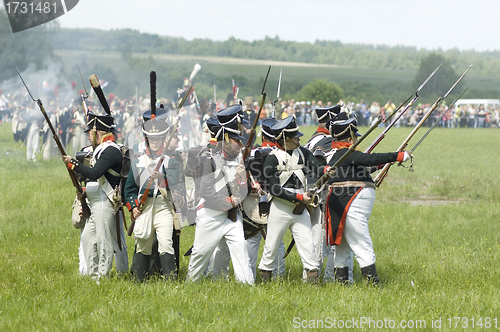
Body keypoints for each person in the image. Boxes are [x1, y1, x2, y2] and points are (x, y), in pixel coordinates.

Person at [324, 113, 410, 285]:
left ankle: (343, 284)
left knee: (343, 247)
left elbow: (362, 167)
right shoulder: (345, 153)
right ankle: (373, 284)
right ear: (349, 136)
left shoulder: (343, 155)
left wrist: (385, 163)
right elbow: (368, 159)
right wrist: (396, 156)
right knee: (362, 244)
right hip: (348, 201)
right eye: (354, 136)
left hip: (343, 201)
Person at [186, 109, 254, 284]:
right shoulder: (207, 159)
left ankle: (247, 286)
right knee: (200, 254)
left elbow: (243, 191)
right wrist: (228, 201)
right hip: (210, 214)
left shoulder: (239, 160)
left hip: (231, 217)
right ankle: (190, 284)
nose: (240, 143)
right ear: (225, 140)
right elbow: (206, 191)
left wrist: (242, 178)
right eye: (236, 140)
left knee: (240, 249)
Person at [258, 116, 327, 283]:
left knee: (308, 247)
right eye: (295, 136)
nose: (298, 138)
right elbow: (274, 189)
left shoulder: (302, 152)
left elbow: (317, 168)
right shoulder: (272, 158)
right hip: (280, 208)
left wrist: (326, 170)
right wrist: (299, 197)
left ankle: (311, 283)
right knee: (271, 248)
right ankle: (264, 281)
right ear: (284, 138)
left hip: (300, 209)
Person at [62, 112, 124, 279]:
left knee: (104, 240)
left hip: (104, 199)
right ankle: (92, 274)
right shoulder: (101, 149)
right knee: (88, 238)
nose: (88, 137)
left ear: (97, 132)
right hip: (93, 200)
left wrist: (73, 165)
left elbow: (95, 173)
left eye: (90, 133)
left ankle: (103, 276)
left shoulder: (111, 150)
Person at [124, 113, 181, 282]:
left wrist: (161, 179)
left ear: (163, 139)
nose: (154, 141)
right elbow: (129, 189)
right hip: (144, 206)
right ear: (146, 139)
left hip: (163, 206)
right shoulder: (138, 162)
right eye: (151, 138)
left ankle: (171, 282)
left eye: (158, 138)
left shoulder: (171, 162)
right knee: (143, 244)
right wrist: (133, 207)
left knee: (165, 243)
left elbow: (175, 184)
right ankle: (138, 281)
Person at [243, 118, 286, 278]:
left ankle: (248, 277)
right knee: (277, 241)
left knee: (252, 241)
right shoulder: (283, 154)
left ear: (263, 136)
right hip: (277, 200)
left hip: (254, 201)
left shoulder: (254, 152)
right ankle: (279, 277)